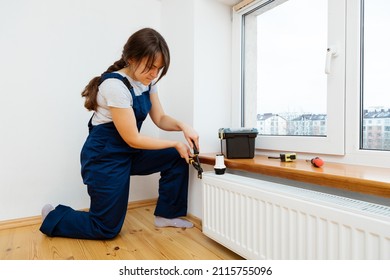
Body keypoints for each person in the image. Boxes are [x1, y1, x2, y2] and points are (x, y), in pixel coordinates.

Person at [40, 27, 199, 240]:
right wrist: (173, 143)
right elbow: (133, 138)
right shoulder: (115, 86)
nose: (154, 74)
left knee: (177, 157)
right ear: (131, 59)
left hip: (130, 152)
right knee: (105, 228)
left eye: (159, 69)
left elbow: (160, 118)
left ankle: (166, 215)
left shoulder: (147, 82)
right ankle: (53, 216)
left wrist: (183, 126)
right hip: (104, 157)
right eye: (150, 67)